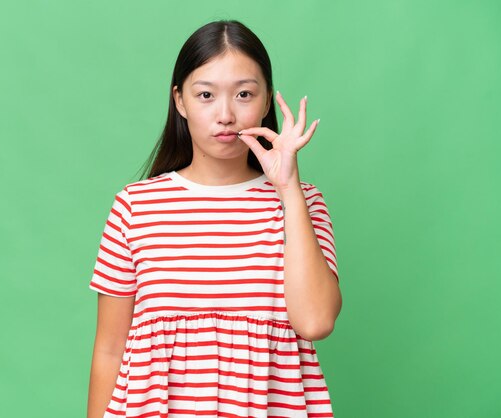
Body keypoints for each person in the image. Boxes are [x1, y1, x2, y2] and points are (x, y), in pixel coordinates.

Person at [86, 19, 342, 418]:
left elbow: (315, 321)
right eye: (206, 94)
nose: (225, 114)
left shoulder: (303, 202)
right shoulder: (135, 207)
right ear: (180, 101)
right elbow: (109, 349)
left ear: (267, 100)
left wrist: (288, 188)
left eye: (244, 94)